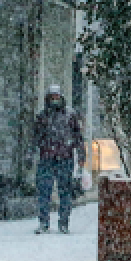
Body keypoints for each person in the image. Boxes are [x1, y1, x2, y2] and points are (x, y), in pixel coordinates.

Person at [34, 85, 84, 234]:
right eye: (52, 97)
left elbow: (78, 138)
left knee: (65, 192)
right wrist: (31, 155)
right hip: (46, 158)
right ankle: (44, 222)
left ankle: (64, 223)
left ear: (61, 97)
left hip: (64, 158)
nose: (54, 100)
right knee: (44, 192)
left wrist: (81, 155)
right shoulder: (42, 116)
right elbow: (35, 138)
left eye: (57, 97)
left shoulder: (70, 115)